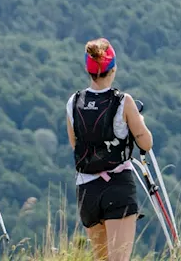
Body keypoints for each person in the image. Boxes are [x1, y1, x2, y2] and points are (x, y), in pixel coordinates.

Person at [66, 38, 153, 261]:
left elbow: (75, 144)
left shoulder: (74, 102)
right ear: (112, 69)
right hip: (117, 186)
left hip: (87, 190)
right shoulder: (124, 101)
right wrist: (138, 122)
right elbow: (146, 143)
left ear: (88, 69)